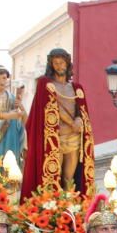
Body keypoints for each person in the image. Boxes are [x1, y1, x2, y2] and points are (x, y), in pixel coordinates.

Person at [21, 48, 94, 198]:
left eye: (62, 63)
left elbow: (81, 110)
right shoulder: (45, 84)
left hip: (74, 138)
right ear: (51, 65)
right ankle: (53, 207)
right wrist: (71, 122)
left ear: (68, 64)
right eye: (56, 63)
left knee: (69, 179)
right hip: (56, 138)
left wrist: (79, 120)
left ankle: (68, 208)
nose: (60, 66)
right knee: (54, 176)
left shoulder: (76, 88)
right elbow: (52, 106)